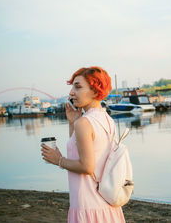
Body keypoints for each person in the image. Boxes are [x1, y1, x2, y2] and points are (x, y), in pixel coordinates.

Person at [41, 66, 126, 223]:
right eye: (72, 86)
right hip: (106, 204)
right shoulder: (106, 119)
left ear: (95, 90)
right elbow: (84, 153)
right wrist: (73, 123)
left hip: (88, 206)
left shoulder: (85, 122)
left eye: (78, 87)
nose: (71, 92)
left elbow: (87, 167)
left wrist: (58, 159)